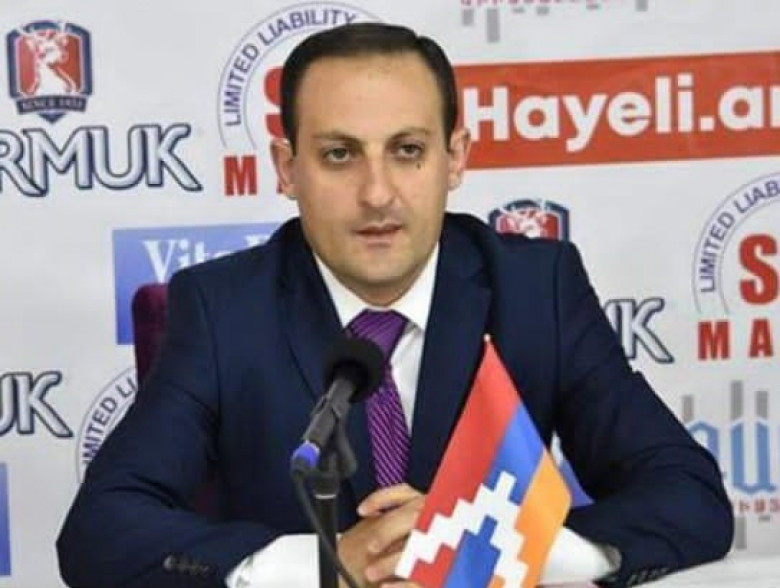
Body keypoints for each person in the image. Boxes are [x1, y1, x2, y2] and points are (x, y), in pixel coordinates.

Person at [57, 22, 732, 588]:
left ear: (455, 158)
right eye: (339, 155)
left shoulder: (537, 288)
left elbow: (688, 497)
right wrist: (328, 563)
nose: (377, 193)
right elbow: (101, 532)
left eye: (408, 151)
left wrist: (490, 551)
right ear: (288, 169)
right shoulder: (221, 310)